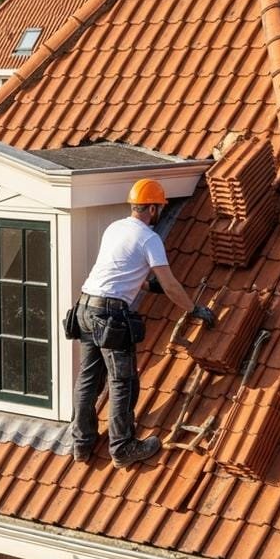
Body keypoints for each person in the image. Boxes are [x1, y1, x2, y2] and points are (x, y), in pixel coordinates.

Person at [71, 179, 216, 468]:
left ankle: (82, 444)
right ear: (151, 208)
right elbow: (171, 285)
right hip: (109, 316)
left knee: (88, 379)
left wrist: (147, 286)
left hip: (85, 306)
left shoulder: (116, 228)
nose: (160, 212)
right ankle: (122, 447)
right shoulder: (150, 239)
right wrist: (194, 309)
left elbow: (120, 271)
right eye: (159, 207)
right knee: (122, 379)